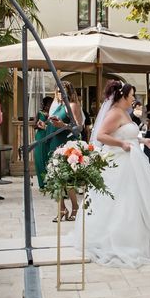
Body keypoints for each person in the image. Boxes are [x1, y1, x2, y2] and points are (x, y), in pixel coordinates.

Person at [73, 80, 150, 267]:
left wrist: (144, 141)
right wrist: (121, 145)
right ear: (123, 96)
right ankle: (122, 239)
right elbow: (102, 135)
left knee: (138, 199)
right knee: (123, 201)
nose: (134, 98)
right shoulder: (113, 113)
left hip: (133, 161)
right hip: (120, 161)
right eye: (132, 95)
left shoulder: (124, 113)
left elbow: (127, 135)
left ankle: (141, 235)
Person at [47, 81, 84, 221]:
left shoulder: (72, 105)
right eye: (57, 92)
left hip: (67, 145)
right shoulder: (59, 106)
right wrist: (45, 125)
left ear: (68, 92)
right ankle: (62, 209)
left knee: (67, 179)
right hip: (55, 143)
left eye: (62, 92)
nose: (59, 95)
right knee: (56, 179)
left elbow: (79, 127)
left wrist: (63, 125)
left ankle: (75, 207)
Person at [33, 96, 54, 189]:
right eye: (49, 104)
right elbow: (34, 125)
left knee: (48, 158)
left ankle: (50, 181)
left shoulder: (53, 113)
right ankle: (42, 183)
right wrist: (39, 125)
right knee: (40, 159)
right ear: (45, 105)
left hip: (50, 136)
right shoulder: (40, 113)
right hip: (41, 136)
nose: (50, 106)